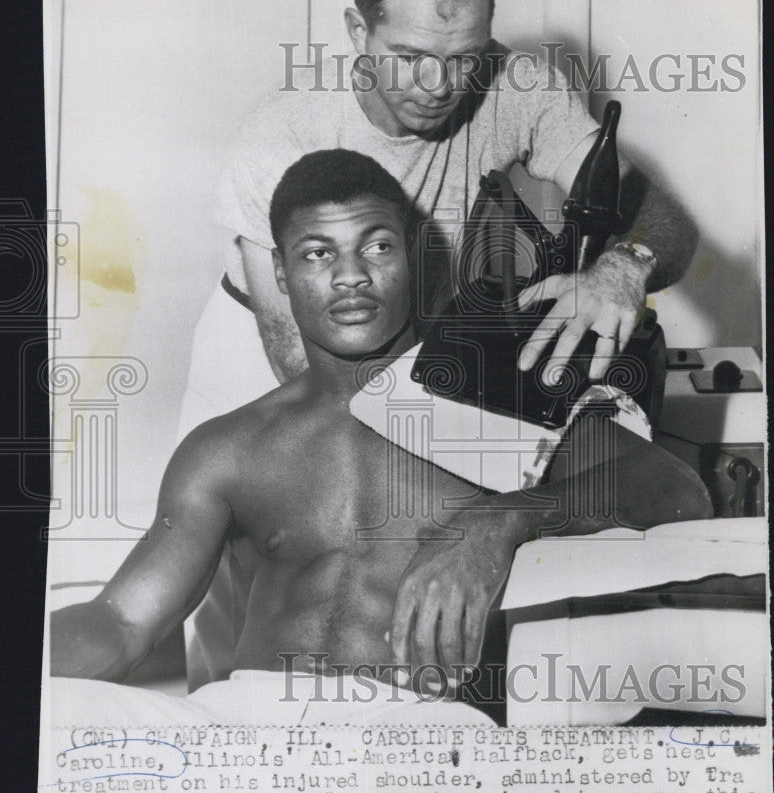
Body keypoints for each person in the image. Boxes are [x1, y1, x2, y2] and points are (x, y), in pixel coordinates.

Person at [51, 150, 712, 726]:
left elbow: (676, 489)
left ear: (412, 258)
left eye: (377, 246)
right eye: (318, 253)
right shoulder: (229, 447)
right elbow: (123, 623)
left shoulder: (490, 398)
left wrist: (502, 520)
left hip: (420, 725)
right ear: (281, 274)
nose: (351, 277)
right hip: (247, 720)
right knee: (64, 717)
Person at [178, 0, 697, 438]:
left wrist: (625, 269)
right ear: (359, 31)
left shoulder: (516, 85)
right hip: (263, 351)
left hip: (409, 340)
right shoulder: (279, 132)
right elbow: (296, 355)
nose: (439, 88)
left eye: (463, 59)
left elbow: (661, 219)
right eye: (411, 58)